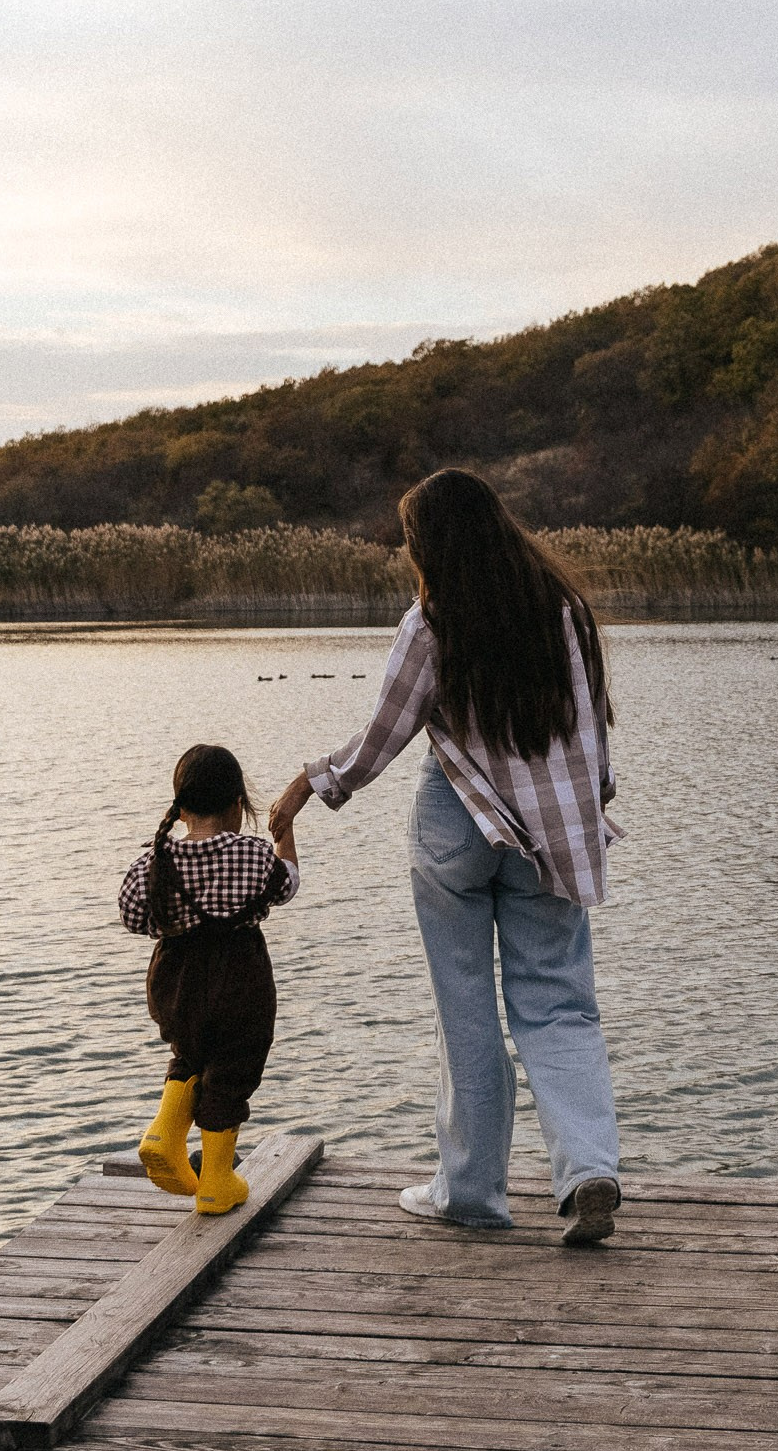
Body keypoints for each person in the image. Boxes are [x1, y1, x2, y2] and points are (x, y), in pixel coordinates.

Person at [270, 468, 623, 1245]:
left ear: (431, 546)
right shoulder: (564, 611)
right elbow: (594, 727)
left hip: (454, 826)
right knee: (559, 1002)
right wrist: (589, 811)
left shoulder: (431, 622)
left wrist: (308, 785)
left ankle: (469, 1193)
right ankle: (589, 1168)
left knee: (464, 1005)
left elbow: (381, 740)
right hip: (550, 828)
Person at [120, 743, 300, 1214]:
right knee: (233, 1069)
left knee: (190, 1054)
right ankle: (217, 1180)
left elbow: (133, 917)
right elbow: (288, 884)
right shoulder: (252, 854)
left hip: (174, 985)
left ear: (180, 811)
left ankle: (164, 1131)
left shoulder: (153, 863)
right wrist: (286, 834)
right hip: (239, 982)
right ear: (238, 806)